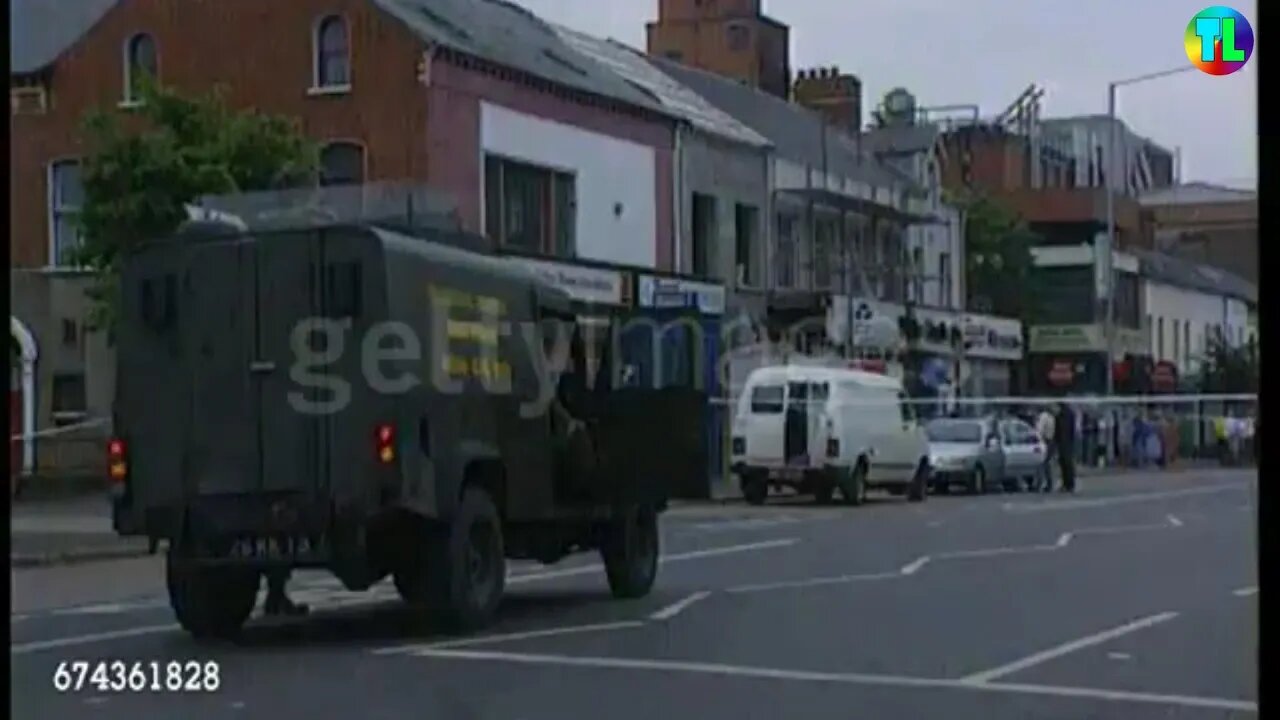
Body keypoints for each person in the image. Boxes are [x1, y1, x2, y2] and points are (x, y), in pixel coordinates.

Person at [1055, 402, 1077, 493]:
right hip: (1067, 442)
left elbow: (1058, 430)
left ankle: (1068, 484)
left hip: (1064, 442)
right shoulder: (1069, 414)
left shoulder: (1060, 415)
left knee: (1065, 464)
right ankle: (1069, 484)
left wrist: (1057, 440)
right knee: (1067, 464)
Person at [1036, 405, 1057, 493]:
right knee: (1047, 464)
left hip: (1046, 441)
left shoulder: (1044, 417)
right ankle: (1048, 484)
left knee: (1043, 464)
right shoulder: (1051, 417)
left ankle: (1042, 484)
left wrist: (1039, 439)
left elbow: (1040, 430)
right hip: (1050, 440)